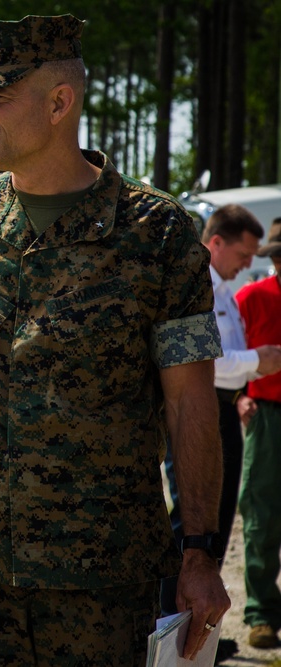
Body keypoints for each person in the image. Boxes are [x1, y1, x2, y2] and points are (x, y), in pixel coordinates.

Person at [0, 14, 230, 667]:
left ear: (59, 102)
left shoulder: (158, 234)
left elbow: (190, 403)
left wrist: (200, 551)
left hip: (103, 584)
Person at [159, 205, 281, 659]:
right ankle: (170, 627)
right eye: (244, 252)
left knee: (217, 527)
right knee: (193, 530)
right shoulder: (200, 286)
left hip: (224, 410)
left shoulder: (224, 289)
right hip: (203, 410)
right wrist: (257, 362)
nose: (249, 262)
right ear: (216, 243)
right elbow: (204, 365)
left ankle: (197, 629)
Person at [236, 218, 281, 649]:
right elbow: (224, 352)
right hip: (268, 416)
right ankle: (262, 612)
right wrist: (238, 398)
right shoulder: (250, 297)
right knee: (261, 515)